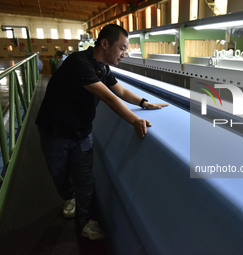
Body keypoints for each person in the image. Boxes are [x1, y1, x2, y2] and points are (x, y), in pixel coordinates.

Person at [36, 24, 168, 240]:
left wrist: (144, 103)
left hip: (82, 132)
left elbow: (121, 91)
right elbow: (108, 97)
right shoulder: (79, 63)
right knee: (58, 171)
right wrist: (134, 120)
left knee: (85, 178)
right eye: (122, 48)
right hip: (55, 131)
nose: (125, 54)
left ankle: (87, 221)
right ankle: (69, 196)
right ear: (105, 44)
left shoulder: (103, 69)